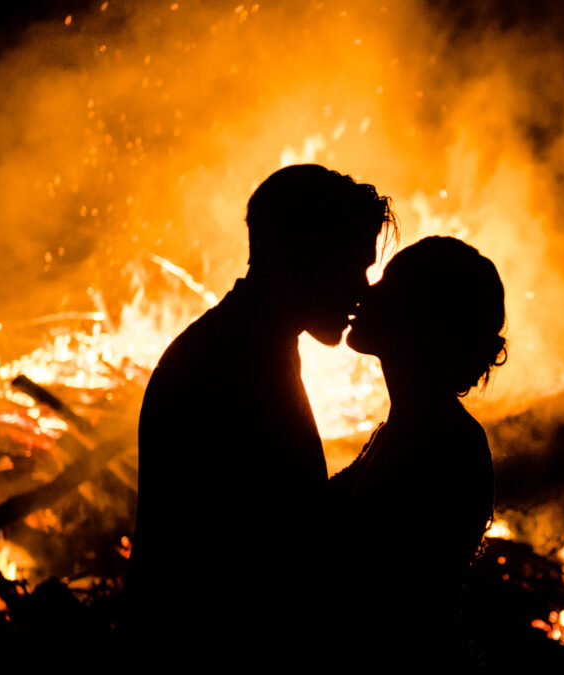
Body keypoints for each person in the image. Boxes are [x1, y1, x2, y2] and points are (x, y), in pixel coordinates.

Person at [129, 164, 396, 661]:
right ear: (304, 258)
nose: (362, 289)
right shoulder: (235, 364)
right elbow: (280, 552)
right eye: (351, 266)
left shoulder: (246, 345)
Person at [329, 236, 507, 666]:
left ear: (419, 320)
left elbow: (381, 597)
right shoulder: (414, 425)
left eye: (387, 285)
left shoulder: (441, 442)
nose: (367, 293)